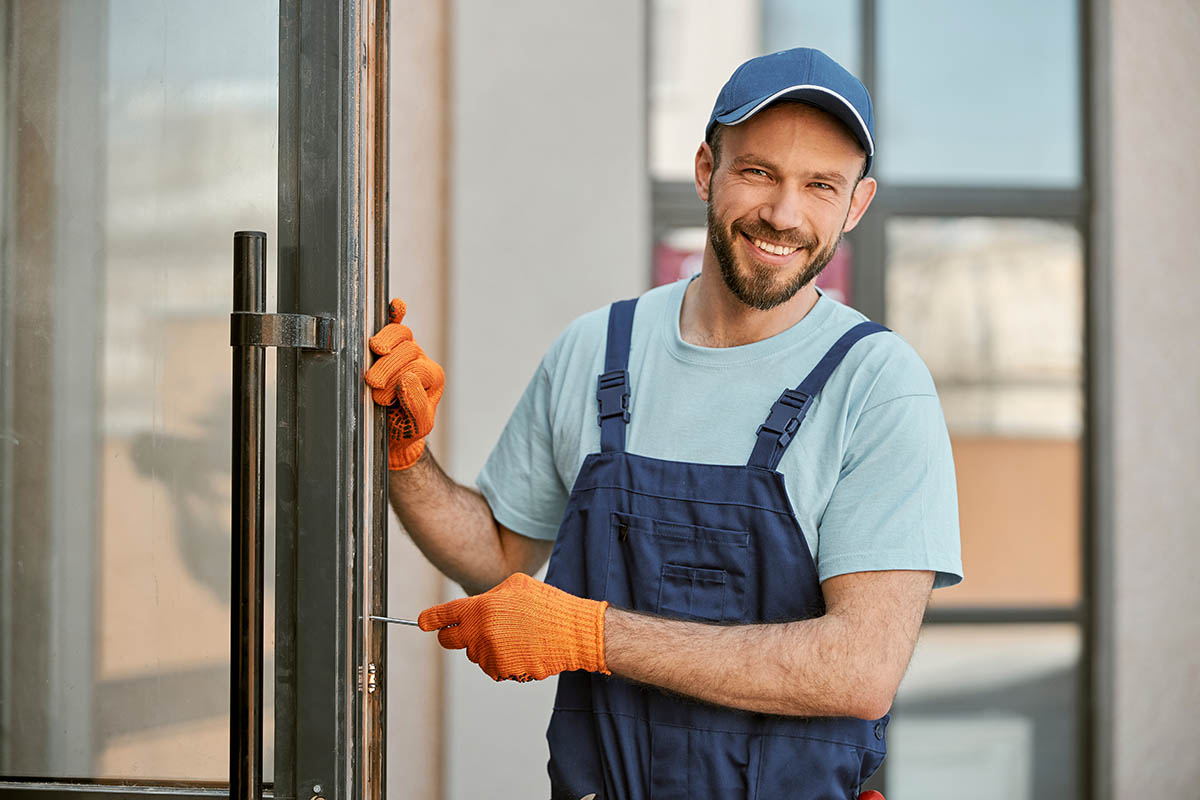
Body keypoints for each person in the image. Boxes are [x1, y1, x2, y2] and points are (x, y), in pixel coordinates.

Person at [366, 47, 962, 800]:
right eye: (759, 172)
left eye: (820, 185)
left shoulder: (877, 385)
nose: (783, 214)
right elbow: (497, 558)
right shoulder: (596, 350)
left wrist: (590, 634)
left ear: (857, 204)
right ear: (707, 169)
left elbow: (858, 669)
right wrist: (403, 452)